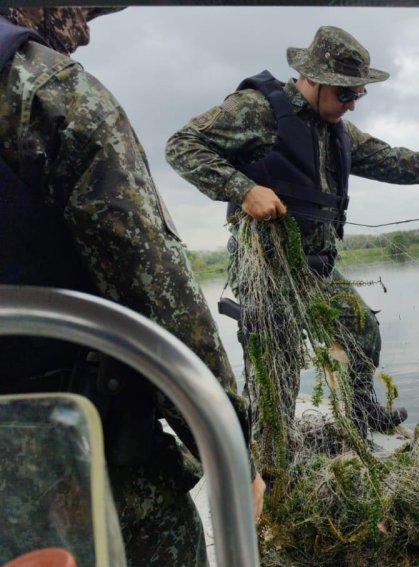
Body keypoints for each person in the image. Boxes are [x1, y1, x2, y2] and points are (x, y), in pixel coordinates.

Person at [0, 8, 264, 566]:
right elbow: (158, 292)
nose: (86, 29)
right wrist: (232, 452)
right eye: (77, 10)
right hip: (73, 466)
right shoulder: (46, 90)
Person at [165, 24, 419, 449]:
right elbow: (181, 145)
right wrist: (244, 190)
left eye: (358, 94)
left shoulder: (340, 130)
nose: (352, 104)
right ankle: (268, 468)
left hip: (318, 268)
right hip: (267, 269)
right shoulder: (256, 110)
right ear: (313, 79)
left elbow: (394, 161)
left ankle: (360, 409)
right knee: (276, 376)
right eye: (345, 94)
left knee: (362, 329)